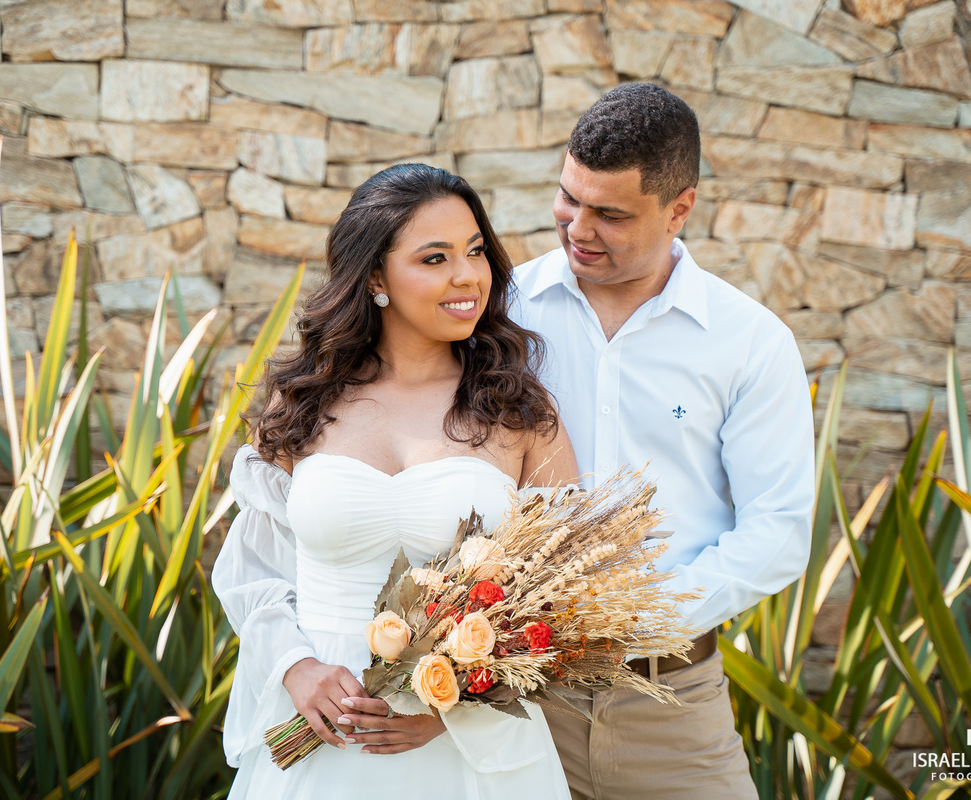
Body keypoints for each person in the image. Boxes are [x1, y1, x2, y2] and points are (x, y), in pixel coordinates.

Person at [212, 163, 578, 799]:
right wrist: (296, 669)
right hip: (320, 731)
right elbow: (253, 568)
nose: (467, 275)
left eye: (475, 252)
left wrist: (452, 701)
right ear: (375, 277)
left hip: (466, 753)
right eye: (434, 258)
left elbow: (563, 595)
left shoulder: (520, 413)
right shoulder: (303, 402)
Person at [511, 83, 815, 799]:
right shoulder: (502, 312)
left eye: (609, 213)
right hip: (512, 707)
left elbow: (778, 530)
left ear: (681, 208)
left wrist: (630, 623)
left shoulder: (750, 343)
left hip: (672, 709)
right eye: (568, 198)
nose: (578, 227)